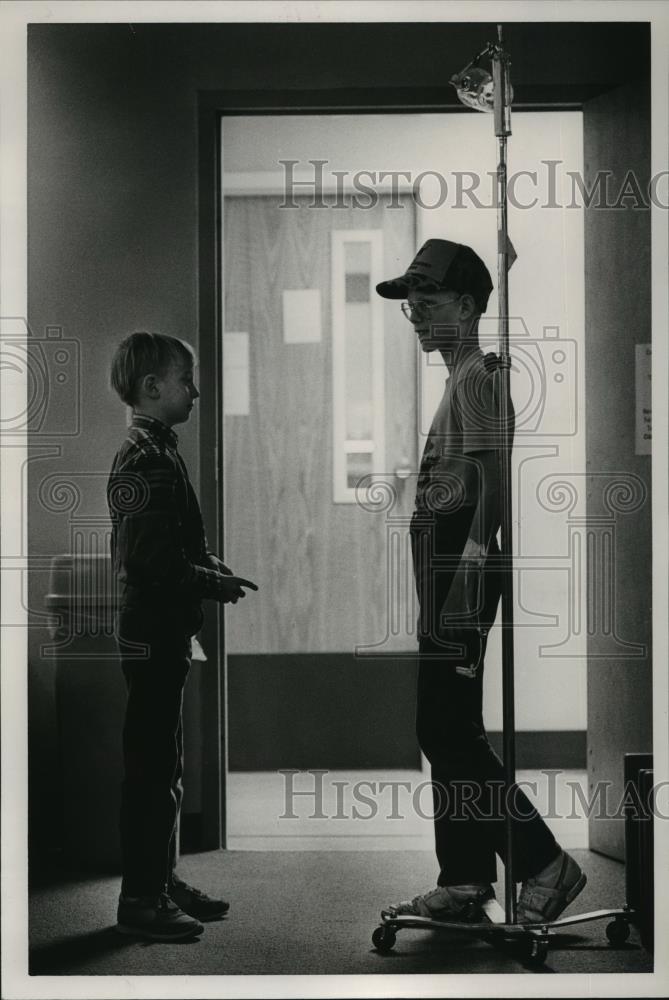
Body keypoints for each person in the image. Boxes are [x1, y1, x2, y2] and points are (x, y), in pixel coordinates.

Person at [375, 239, 586, 924]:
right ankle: (464, 880)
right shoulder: (462, 375)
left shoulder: (475, 379)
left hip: (458, 573)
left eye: (427, 302)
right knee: (450, 726)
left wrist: (465, 576)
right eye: (410, 305)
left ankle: (544, 862)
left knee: (444, 732)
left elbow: (490, 487)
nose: (414, 315)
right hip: (444, 571)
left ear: (465, 307)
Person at [107, 331, 257, 941]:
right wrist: (210, 583)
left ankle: (161, 881)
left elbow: (170, 542)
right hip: (153, 628)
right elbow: (150, 563)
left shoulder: (157, 449)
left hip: (161, 629)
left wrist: (207, 565)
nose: (195, 390)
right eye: (185, 379)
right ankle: (142, 898)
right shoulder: (146, 456)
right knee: (150, 769)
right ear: (152, 388)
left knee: (163, 764)